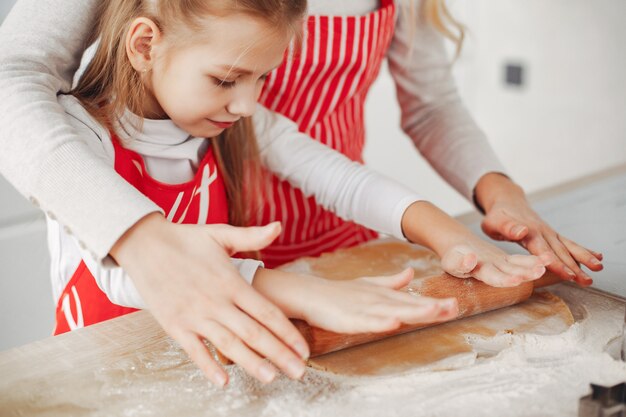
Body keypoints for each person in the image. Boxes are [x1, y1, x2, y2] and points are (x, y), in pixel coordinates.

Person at [0, 0, 601, 384]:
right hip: (110, 361)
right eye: (228, 79)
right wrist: (294, 289)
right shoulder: (80, 134)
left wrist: (451, 237)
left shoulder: (231, 118)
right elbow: (117, 273)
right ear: (144, 44)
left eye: (264, 78)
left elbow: (338, 175)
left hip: (218, 352)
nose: (249, 102)